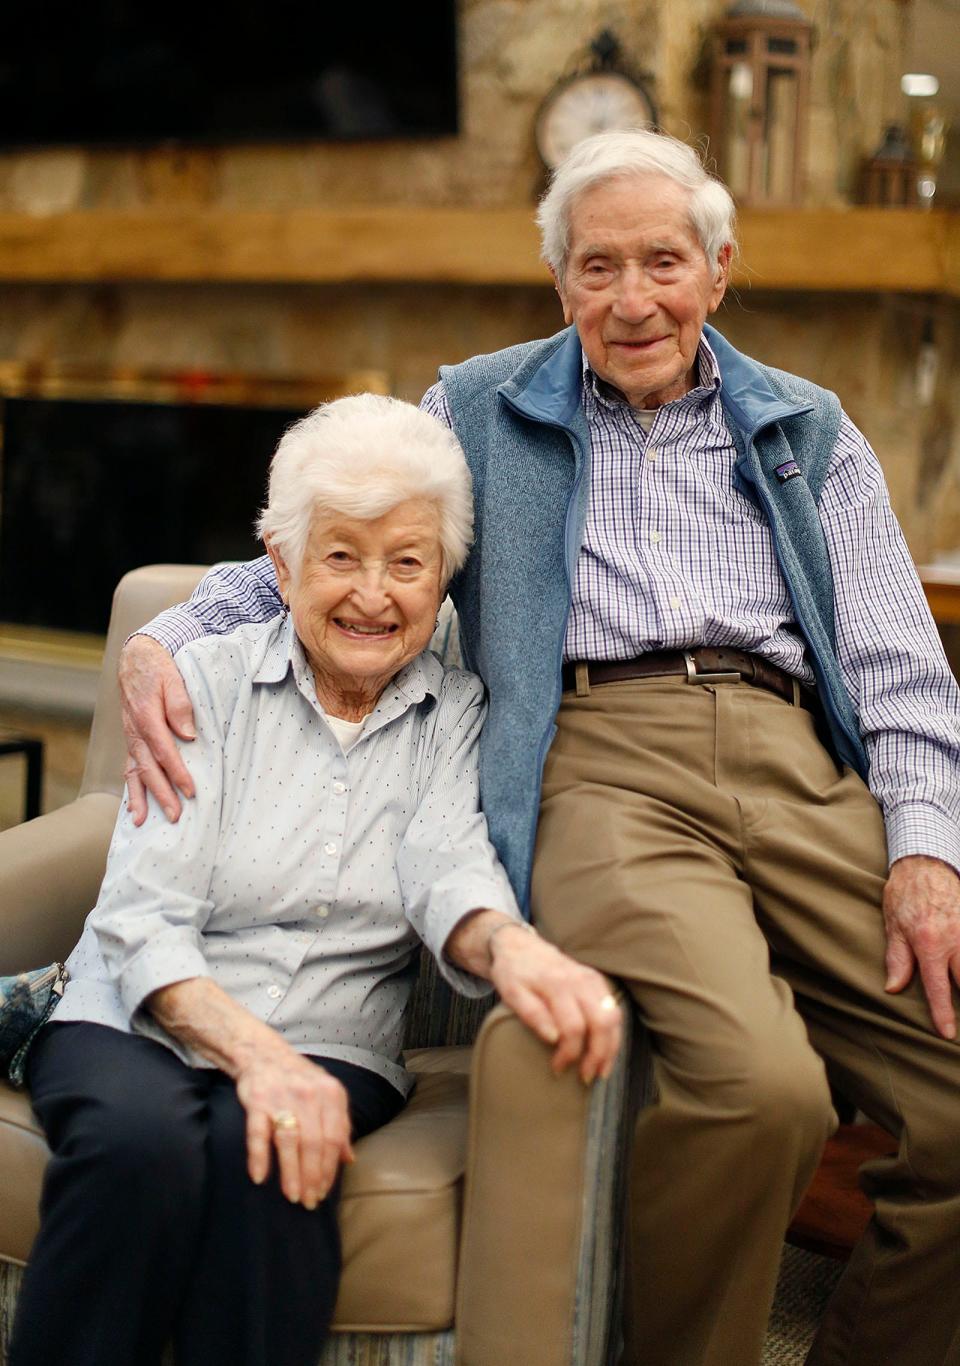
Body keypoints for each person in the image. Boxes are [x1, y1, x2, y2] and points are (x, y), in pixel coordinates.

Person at [118, 131, 960, 1366]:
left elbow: (902, 671)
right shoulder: (479, 405)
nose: (633, 299)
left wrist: (928, 850)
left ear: (719, 271)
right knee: (761, 1086)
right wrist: (166, 636)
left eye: (663, 262)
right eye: (598, 267)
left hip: (801, 765)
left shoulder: (807, 429)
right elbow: (348, 535)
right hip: (601, 756)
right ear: (560, 285)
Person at [9, 394, 622, 1366]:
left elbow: (446, 861)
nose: (374, 594)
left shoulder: (458, 710)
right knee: (141, 1148)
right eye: (341, 555)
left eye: (408, 562)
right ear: (280, 562)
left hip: (335, 1032)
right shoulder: (203, 677)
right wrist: (258, 1054)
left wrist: (511, 948)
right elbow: (142, 908)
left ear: (445, 575)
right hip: (134, 1013)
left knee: (268, 1167)